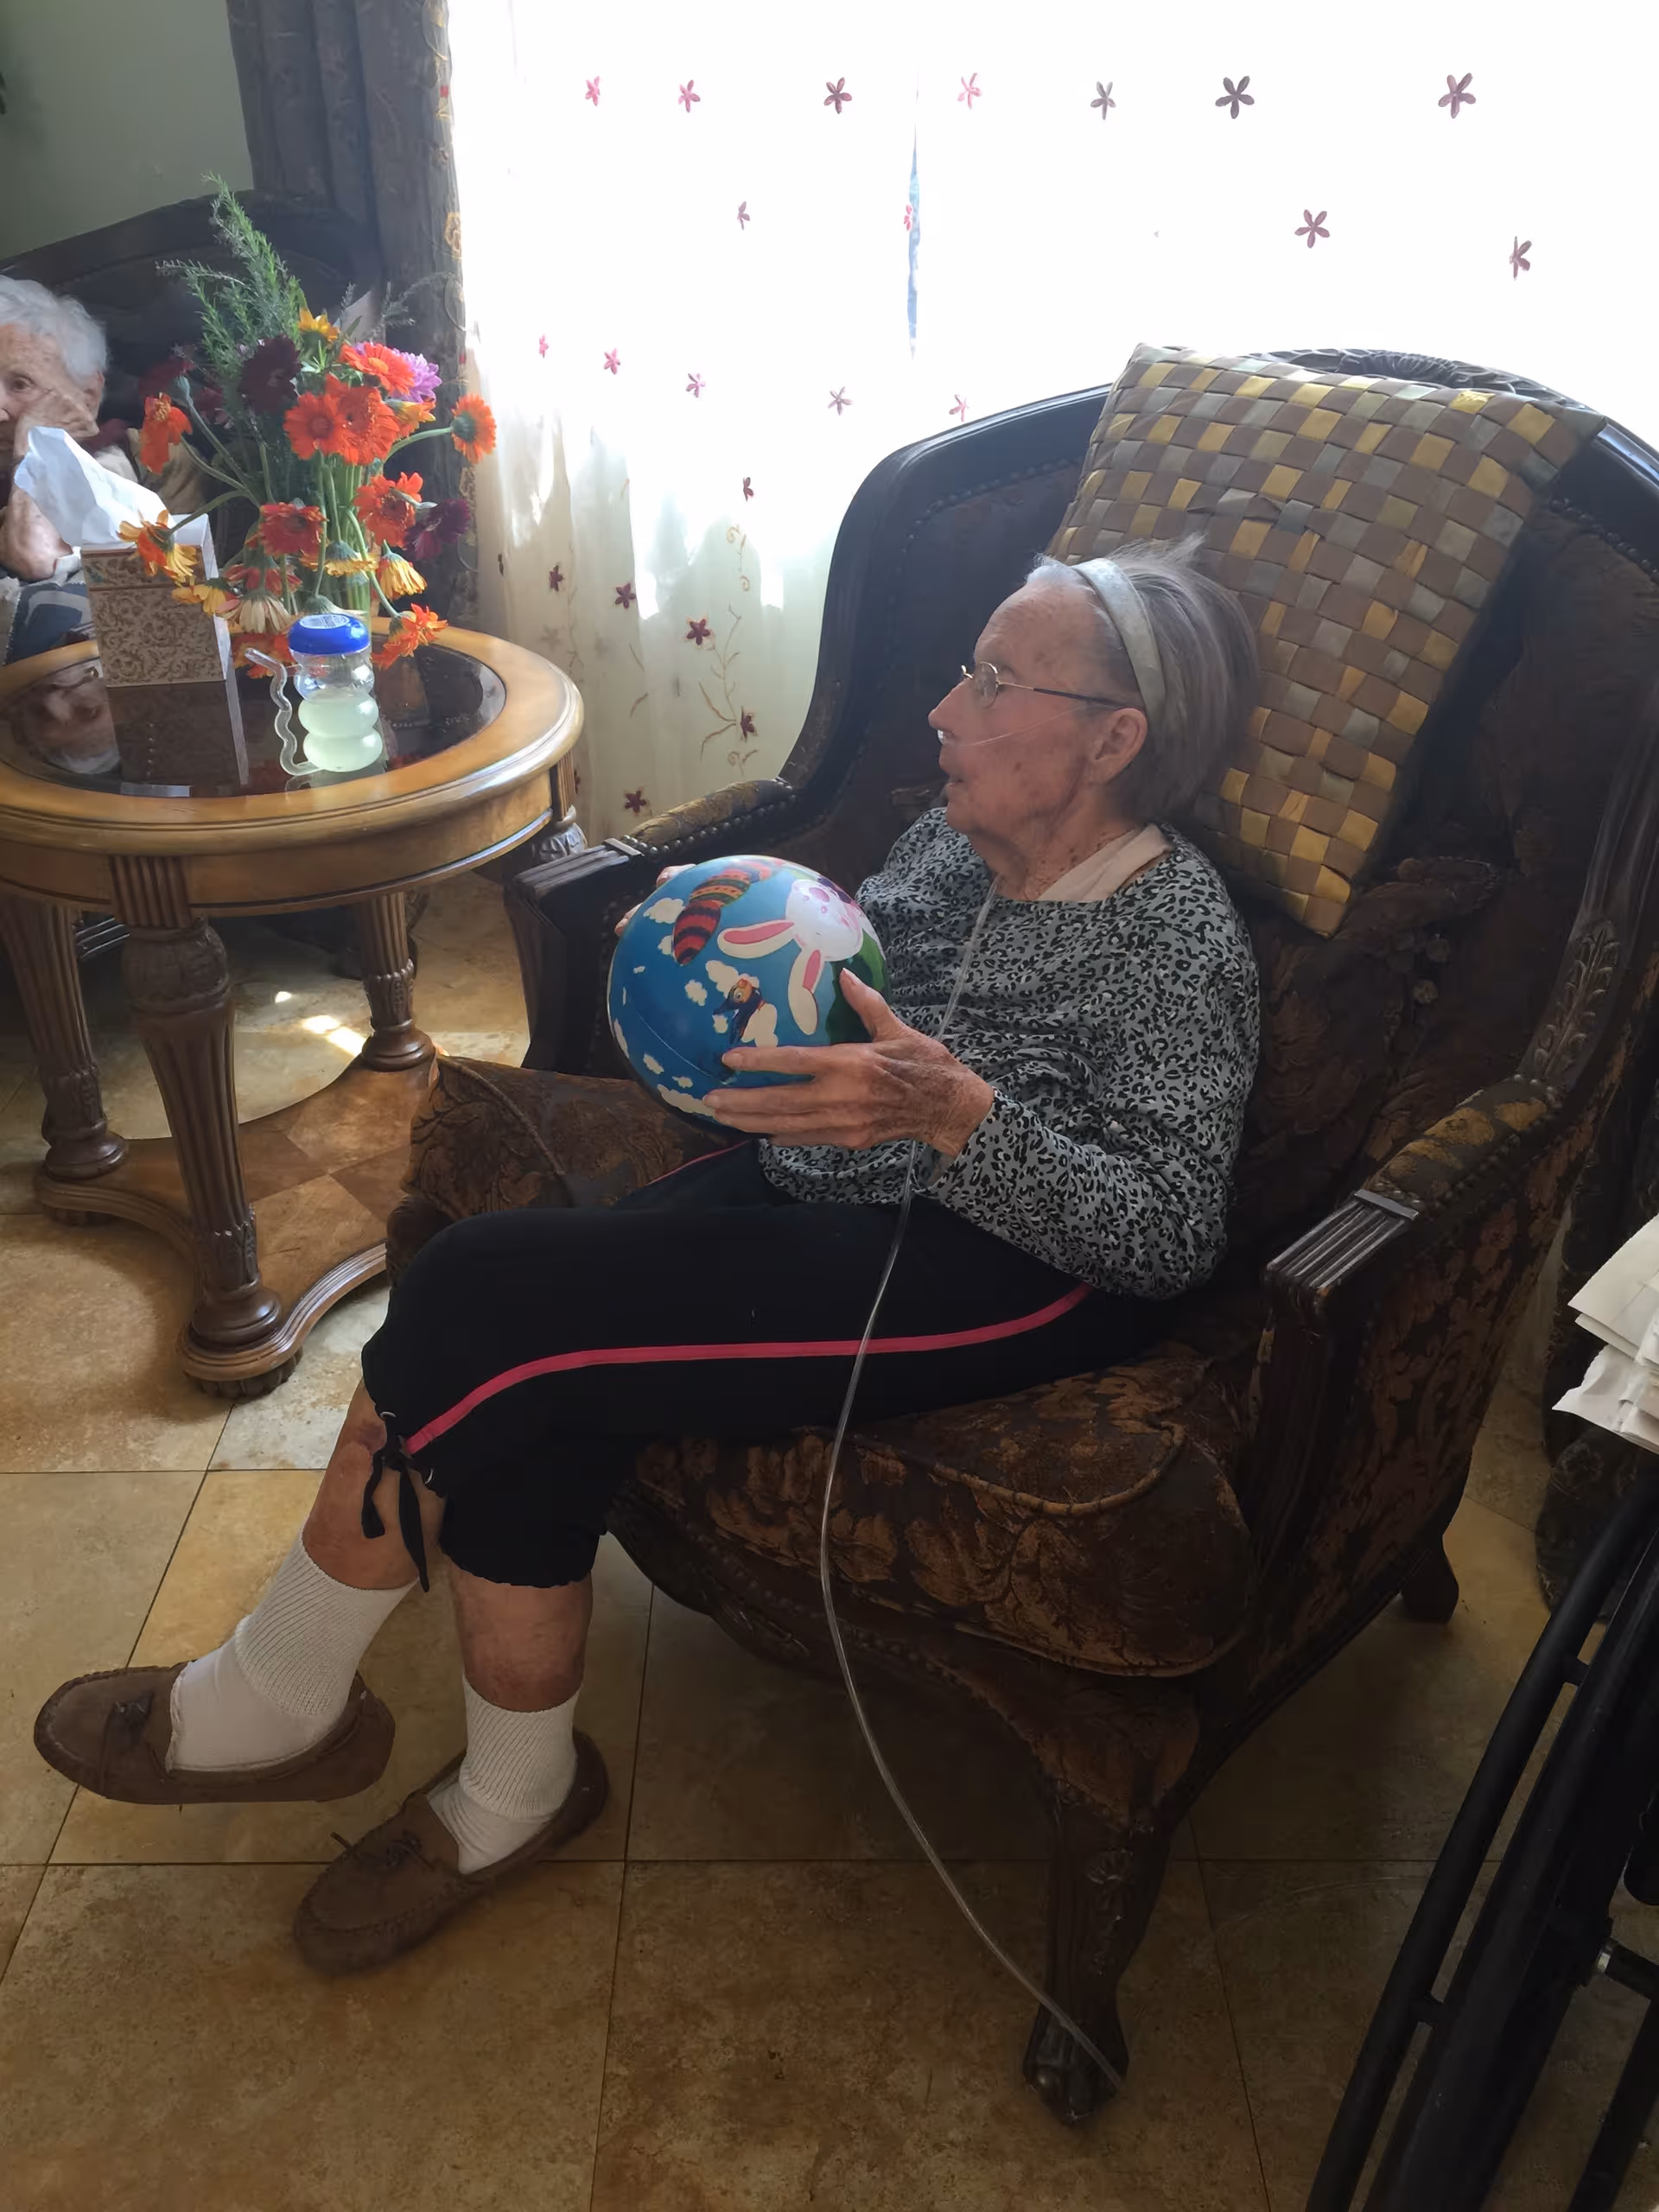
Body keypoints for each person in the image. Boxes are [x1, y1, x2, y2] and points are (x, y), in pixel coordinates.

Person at [35, 537, 1262, 1974]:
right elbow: (844, 992)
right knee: (532, 1370)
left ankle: (283, 1693)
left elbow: (1170, 1229)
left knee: (471, 1287)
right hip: (837, 1174)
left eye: (995, 681)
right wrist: (711, 965)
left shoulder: (1178, 934)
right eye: (964, 669)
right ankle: (516, 1792)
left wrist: (957, 1118)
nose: (945, 709)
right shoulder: (952, 839)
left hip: (1009, 1267)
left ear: (1114, 740)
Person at [0, 276, 129, 665]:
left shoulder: (114, 462)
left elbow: (35, 558)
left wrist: (30, 447)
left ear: (87, 397)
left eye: (20, 384)